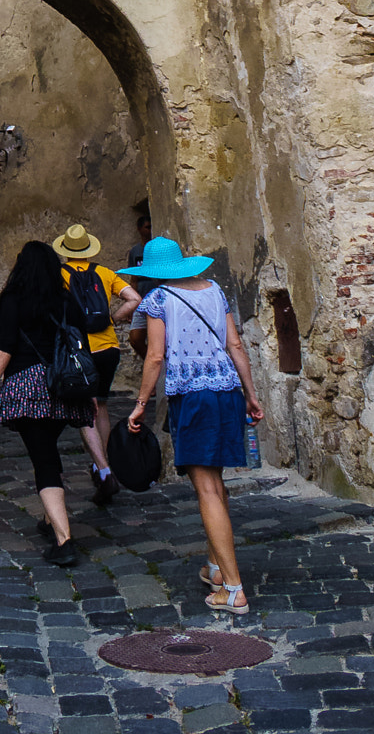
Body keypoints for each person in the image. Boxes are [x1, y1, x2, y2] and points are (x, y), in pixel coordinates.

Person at [117, 236, 265, 615]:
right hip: (227, 391)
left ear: (151, 272)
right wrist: (250, 394)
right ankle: (216, 568)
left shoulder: (158, 300)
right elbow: (236, 346)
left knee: (207, 490)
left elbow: (154, 356)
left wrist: (140, 406)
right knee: (216, 483)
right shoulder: (215, 290)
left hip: (193, 397)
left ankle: (233, 590)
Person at [0, 240, 108, 567]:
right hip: (64, 387)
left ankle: (64, 540)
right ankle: (49, 520)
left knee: (43, 458)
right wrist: (89, 391)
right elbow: (82, 346)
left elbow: (6, 344)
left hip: (28, 387)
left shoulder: (13, 299)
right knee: (47, 450)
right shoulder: (67, 300)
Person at [53, 223, 141, 503]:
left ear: (66, 251)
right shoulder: (105, 273)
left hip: (80, 350)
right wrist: (112, 319)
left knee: (84, 407)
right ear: (89, 250)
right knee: (101, 404)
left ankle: (103, 470)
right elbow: (134, 299)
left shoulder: (60, 274)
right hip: (109, 347)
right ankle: (102, 463)